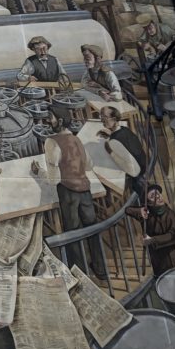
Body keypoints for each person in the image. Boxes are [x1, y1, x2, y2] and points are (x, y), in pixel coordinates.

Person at [44, 107, 107, 280]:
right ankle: (100, 270)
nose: (48, 121)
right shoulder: (76, 139)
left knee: (72, 232)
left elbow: (53, 179)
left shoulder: (51, 142)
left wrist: (41, 172)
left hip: (68, 192)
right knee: (92, 228)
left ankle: (80, 273)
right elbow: (89, 165)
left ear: (60, 121)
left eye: (51, 118)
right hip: (85, 190)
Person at [125, 184, 175, 276]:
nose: (158, 197)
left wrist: (152, 240)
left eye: (158, 193)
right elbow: (127, 210)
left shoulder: (170, 214)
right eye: (152, 196)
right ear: (148, 202)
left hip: (173, 258)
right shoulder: (146, 215)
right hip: (158, 261)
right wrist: (140, 210)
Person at [98, 105, 148, 206]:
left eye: (104, 117)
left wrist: (110, 152)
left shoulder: (114, 142)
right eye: (101, 117)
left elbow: (131, 168)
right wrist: (110, 136)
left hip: (135, 176)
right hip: (143, 166)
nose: (102, 120)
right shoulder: (125, 129)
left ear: (114, 119)